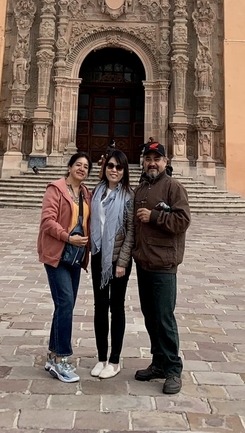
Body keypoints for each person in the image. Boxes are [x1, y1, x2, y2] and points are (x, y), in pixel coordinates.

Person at [133, 141, 191, 395]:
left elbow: (182, 220)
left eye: (157, 159)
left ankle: (172, 369)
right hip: (144, 262)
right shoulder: (142, 188)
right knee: (150, 316)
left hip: (164, 264)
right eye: (148, 158)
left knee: (165, 318)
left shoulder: (173, 187)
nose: (152, 163)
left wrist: (154, 216)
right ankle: (158, 362)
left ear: (166, 163)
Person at [37, 152, 92, 383]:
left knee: (64, 305)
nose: (82, 169)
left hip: (75, 257)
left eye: (86, 166)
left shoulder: (86, 193)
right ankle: (62, 358)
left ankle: (52, 354)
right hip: (58, 254)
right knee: (66, 303)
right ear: (69, 167)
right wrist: (68, 237)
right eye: (78, 165)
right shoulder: (55, 189)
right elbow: (47, 221)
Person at [90, 148, 134, 379]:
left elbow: (131, 233)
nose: (114, 170)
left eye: (118, 167)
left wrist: (122, 262)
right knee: (99, 306)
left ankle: (115, 361)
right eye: (110, 166)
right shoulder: (95, 192)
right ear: (104, 168)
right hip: (98, 256)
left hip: (118, 261)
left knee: (116, 306)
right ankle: (101, 358)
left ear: (125, 170)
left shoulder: (129, 196)